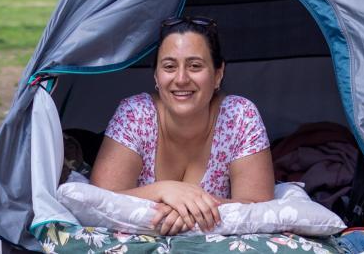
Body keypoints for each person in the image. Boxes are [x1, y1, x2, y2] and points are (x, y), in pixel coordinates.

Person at [91, 16, 274, 235]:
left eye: (195, 66)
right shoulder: (135, 114)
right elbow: (99, 199)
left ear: (218, 74)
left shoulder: (240, 116)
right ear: (156, 77)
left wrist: (187, 207)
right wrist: (164, 191)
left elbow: (259, 207)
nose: (181, 79)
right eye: (169, 66)